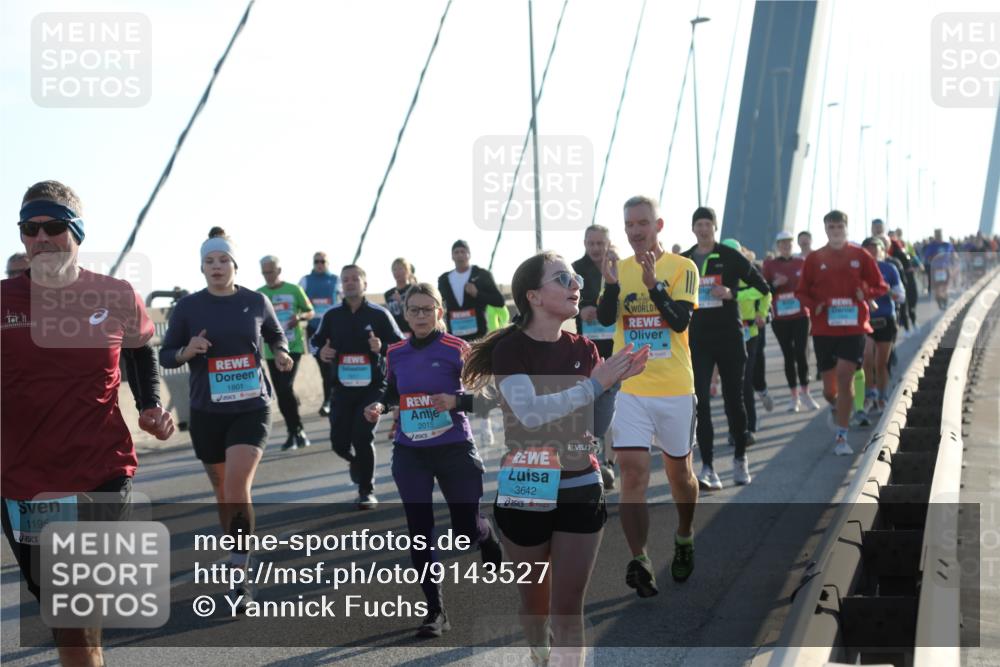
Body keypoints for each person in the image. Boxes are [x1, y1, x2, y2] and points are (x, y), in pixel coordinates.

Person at [2, 180, 174, 667]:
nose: (40, 238)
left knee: (72, 603)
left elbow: (142, 350)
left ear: (75, 232)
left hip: (101, 471)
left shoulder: (115, 293)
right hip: (21, 483)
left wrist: (149, 403)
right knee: (64, 615)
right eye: (29, 229)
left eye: (53, 227)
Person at [464, 251, 648, 666]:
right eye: (563, 278)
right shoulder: (511, 350)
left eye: (576, 278)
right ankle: (538, 652)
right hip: (526, 485)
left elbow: (596, 426)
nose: (575, 285)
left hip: (581, 480)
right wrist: (594, 384)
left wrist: (613, 385)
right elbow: (530, 414)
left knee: (568, 608)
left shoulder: (584, 347)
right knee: (535, 603)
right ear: (533, 296)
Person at [160, 227, 292, 608]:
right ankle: (240, 550)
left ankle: (239, 576)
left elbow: (276, 334)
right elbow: (165, 355)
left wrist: (280, 353)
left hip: (252, 407)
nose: (216, 266)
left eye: (223, 260)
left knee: (236, 487)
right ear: (201, 267)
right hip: (207, 411)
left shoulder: (255, 301)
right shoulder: (187, 308)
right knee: (222, 493)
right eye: (209, 261)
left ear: (235, 265)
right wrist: (189, 350)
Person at [363, 283, 502, 638]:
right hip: (411, 451)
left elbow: (488, 397)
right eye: (414, 310)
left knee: (465, 530)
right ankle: (435, 610)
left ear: (440, 311)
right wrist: (380, 404)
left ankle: (485, 535)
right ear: (405, 314)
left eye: (428, 309)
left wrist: (457, 402)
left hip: (454, 447)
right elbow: (389, 389)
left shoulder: (458, 348)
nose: (421, 316)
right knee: (419, 530)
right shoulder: (395, 352)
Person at [597, 195, 701, 594]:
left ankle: (685, 535)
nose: (635, 231)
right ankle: (640, 559)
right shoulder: (619, 270)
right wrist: (608, 288)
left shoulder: (683, 268)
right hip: (632, 389)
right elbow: (607, 320)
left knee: (680, 476)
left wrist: (653, 284)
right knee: (633, 475)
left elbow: (678, 321)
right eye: (629, 225)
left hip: (675, 388)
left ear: (658, 226)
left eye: (643, 223)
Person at [681, 206, 770, 490]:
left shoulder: (730, 256)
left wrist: (733, 294)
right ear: (693, 228)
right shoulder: (683, 261)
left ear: (715, 227)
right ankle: (707, 467)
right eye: (699, 224)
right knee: (702, 404)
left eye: (708, 224)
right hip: (698, 341)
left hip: (730, 338)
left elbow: (763, 287)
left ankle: (740, 459)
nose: (703, 229)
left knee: (734, 400)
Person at [795, 211, 888, 455]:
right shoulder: (815, 259)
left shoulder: (860, 255)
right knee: (829, 390)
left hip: (853, 327)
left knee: (846, 378)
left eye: (839, 227)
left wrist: (865, 294)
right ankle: (839, 406)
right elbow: (801, 292)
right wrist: (813, 305)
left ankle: (841, 437)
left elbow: (881, 286)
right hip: (824, 329)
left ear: (846, 228)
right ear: (825, 230)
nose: (835, 231)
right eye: (831, 227)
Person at [311, 264, 403, 509]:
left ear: (365, 284)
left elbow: (400, 346)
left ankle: (366, 490)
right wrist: (322, 352)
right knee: (338, 442)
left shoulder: (379, 314)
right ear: (341, 284)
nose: (350, 283)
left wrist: (381, 347)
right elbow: (314, 342)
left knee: (362, 436)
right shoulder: (331, 315)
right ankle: (356, 462)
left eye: (355, 279)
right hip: (342, 388)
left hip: (373, 387)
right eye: (346, 279)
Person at [437, 240, 506, 446]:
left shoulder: (481, 275)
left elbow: (499, 301)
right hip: (455, 337)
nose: (460, 255)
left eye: (463, 251)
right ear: (452, 256)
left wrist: (478, 293)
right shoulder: (444, 279)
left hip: (479, 336)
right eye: (456, 251)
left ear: (469, 254)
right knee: (456, 379)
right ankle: (458, 424)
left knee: (481, 380)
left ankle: (485, 424)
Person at [572, 224, 619, 489]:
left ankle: (608, 464)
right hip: (587, 347)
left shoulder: (620, 265)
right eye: (591, 243)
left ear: (609, 243)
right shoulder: (575, 268)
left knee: (612, 406)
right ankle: (593, 461)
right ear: (584, 243)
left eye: (600, 243)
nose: (596, 248)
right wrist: (580, 311)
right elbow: (565, 301)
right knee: (588, 407)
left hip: (615, 345)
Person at [259, 255, 314, 451]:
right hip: (271, 350)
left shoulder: (294, 289)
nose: (268, 276)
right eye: (264, 273)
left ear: (279, 271)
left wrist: (298, 317)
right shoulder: (259, 294)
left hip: (294, 347)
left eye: (271, 272)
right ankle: (295, 431)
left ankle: (296, 430)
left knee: (285, 387)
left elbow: (310, 311)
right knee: (283, 392)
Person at [763, 231, 819, 412]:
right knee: (788, 355)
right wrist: (775, 284)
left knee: (802, 353)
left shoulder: (801, 263)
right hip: (780, 317)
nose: (786, 246)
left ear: (792, 244)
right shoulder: (770, 265)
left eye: (788, 243)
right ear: (777, 246)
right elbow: (763, 289)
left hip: (801, 314)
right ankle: (794, 397)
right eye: (782, 243)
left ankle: (806, 393)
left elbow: (812, 285)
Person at [729, 240, 773, 440]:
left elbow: (766, 293)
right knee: (731, 384)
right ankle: (734, 429)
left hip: (750, 331)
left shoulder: (749, 272)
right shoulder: (718, 275)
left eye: (734, 253)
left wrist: (761, 313)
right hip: (727, 331)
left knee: (745, 380)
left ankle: (750, 427)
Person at [861, 237, 905, 416]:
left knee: (881, 363)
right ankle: (869, 393)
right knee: (867, 358)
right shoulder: (858, 270)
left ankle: (882, 396)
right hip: (865, 321)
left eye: (875, 249)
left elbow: (901, 296)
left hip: (886, 320)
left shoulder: (889, 269)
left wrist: (888, 291)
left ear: (883, 251)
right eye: (868, 249)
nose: (872, 252)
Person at [299, 251, 340, 417]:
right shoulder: (306, 280)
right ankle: (329, 400)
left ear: (328, 262)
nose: (319, 264)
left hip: (333, 330)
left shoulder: (336, 280)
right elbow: (297, 300)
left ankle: (329, 401)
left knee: (331, 366)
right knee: (323, 368)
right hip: (314, 330)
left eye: (323, 261)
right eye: (316, 261)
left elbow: (345, 299)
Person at [384, 257, 417, 336]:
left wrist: (401, 302)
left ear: (408, 271)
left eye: (400, 269)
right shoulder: (388, 294)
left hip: (412, 330)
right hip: (396, 332)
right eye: (394, 269)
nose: (397, 272)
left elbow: (416, 310)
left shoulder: (414, 289)